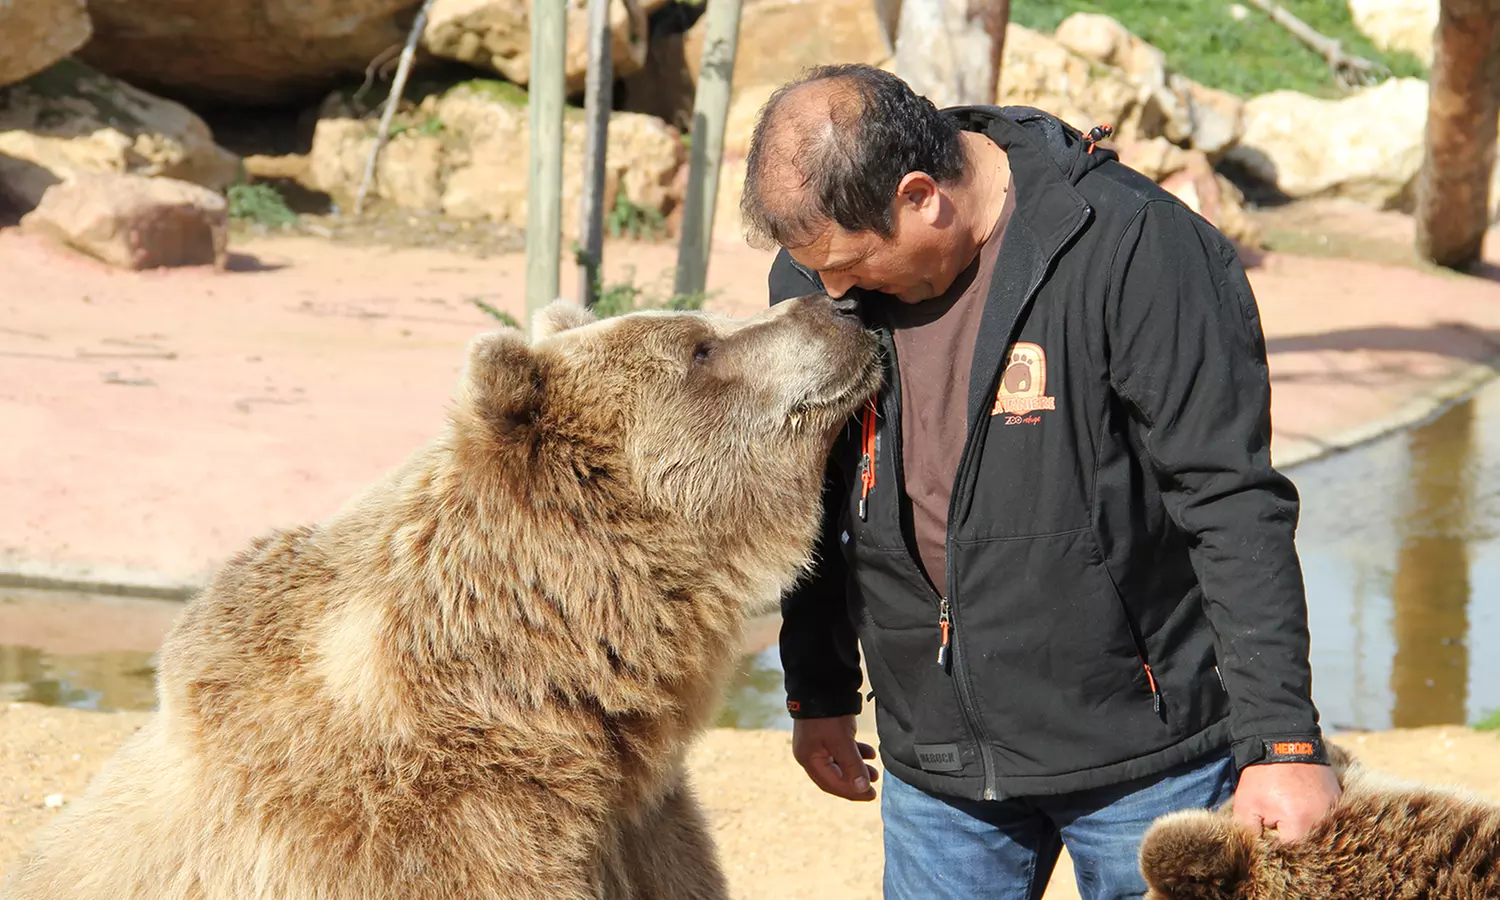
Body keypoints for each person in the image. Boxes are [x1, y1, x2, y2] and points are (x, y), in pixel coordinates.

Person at [741, 64, 1342, 900]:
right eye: (816, 271)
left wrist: (1283, 746)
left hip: (1145, 761)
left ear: (922, 196)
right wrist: (817, 689)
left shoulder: (1139, 247)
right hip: (938, 769)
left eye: (851, 265)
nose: (831, 292)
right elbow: (808, 499)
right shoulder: (820, 275)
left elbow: (1231, 502)